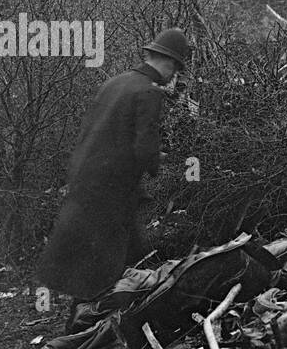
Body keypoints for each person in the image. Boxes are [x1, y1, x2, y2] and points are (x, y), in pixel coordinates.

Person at [37, 28, 193, 313]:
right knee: (108, 258)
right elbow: (144, 149)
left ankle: (103, 309)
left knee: (115, 251)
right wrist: (164, 166)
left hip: (86, 177)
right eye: (176, 68)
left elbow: (104, 132)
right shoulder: (149, 93)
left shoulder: (115, 82)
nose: (174, 76)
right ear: (169, 64)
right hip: (112, 187)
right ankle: (93, 317)